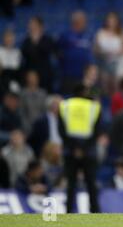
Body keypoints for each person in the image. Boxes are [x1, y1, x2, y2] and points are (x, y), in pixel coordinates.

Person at [58, 84, 102, 213]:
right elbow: (97, 131)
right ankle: (95, 211)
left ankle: (69, 211)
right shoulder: (94, 107)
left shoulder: (64, 106)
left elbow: (61, 130)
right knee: (91, 183)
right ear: (84, 92)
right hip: (89, 152)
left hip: (70, 151)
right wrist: (83, 148)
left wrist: (74, 148)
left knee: (71, 183)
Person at [57, 11, 94, 94]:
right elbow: (58, 52)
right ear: (76, 22)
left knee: (88, 97)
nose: (85, 23)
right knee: (68, 98)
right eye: (83, 21)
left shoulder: (88, 35)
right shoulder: (65, 35)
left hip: (85, 77)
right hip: (68, 75)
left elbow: (91, 53)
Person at [21, 17, 56, 92]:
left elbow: (47, 50)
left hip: (44, 75)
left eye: (33, 24)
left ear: (40, 26)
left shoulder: (47, 39)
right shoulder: (26, 41)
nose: (31, 26)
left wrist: (36, 42)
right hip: (30, 73)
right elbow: (24, 53)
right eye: (30, 24)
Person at [19, 70, 47, 135]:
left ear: (38, 79)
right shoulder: (23, 93)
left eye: (34, 77)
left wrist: (41, 125)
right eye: (30, 77)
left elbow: (44, 111)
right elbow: (21, 112)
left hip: (40, 125)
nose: (32, 79)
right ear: (26, 78)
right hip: (26, 126)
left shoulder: (43, 93)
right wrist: (27, 126)